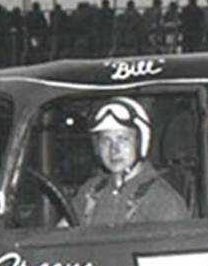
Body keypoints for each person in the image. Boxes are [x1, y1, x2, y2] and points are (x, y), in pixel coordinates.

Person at [72, 97, 188, 226]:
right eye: (106, 141)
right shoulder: (90, 192)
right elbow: (60, 237)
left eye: (123, 139)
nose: (114, 150)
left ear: (140, 143)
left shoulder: (162, 199)